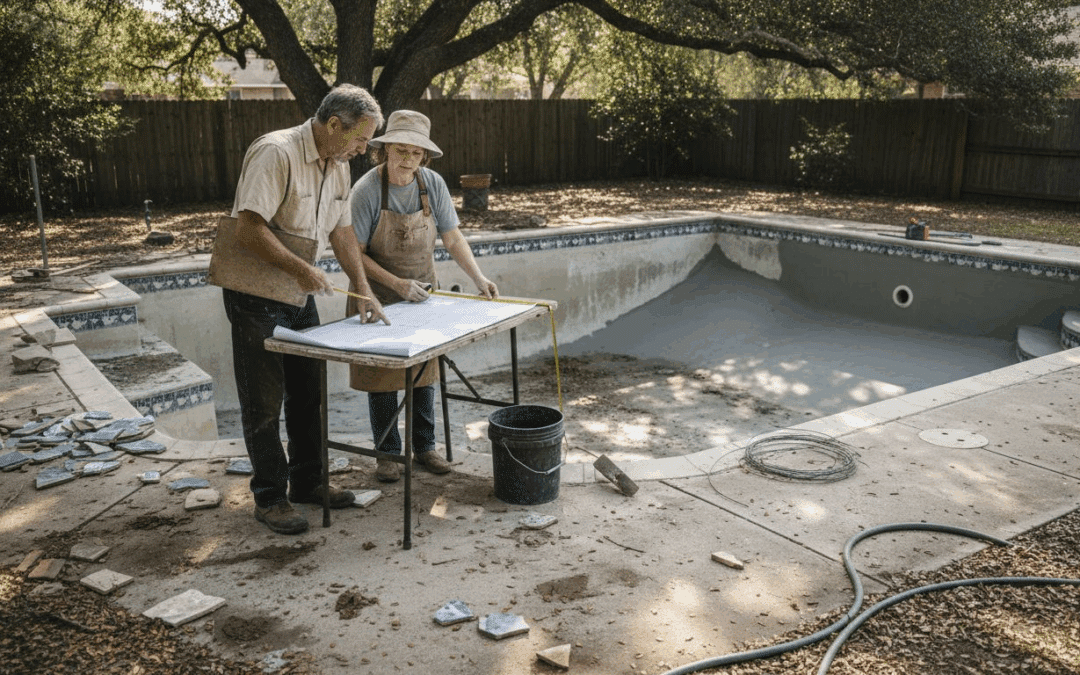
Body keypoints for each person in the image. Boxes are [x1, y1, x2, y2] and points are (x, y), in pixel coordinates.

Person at [223, 84, 389, 535]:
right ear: (333, 124)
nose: (362, 150)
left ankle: (309, 483)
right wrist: (304, 269)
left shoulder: (336, 166)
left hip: (298, 294)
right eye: (359, 140)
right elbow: (248, 229)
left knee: (308, 393)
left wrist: (362, 285)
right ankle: (270, 498)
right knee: (263, 402)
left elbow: (341, 233)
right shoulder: (275, 152)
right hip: (255, 293)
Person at [348, 109, 498, 482]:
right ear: (384, 150)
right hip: (377, 294)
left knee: (423, 372)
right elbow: (355, 254)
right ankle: (387, 454)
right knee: (384, 376)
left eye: (415, 154)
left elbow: (452, 237)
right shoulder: (367, 189)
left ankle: (426, 446)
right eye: (400, 150)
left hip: (421, 291)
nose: (407, 160)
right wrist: (395, 286)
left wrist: (478, 277)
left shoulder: (431, 184)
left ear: (424, 156)